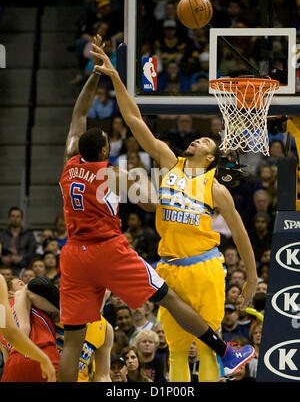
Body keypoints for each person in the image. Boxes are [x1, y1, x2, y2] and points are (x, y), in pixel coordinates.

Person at [58, 35, 255, 383]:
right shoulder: (168, 162)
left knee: (205, 347)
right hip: (169, 263)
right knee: (177, 349)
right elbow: (135, 120)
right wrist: (117, 78)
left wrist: (252, 277)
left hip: (204, 266)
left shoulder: (215, 186)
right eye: (197, 138)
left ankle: (224, 355)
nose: (196, 139)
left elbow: (240, 233)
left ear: (210, 158)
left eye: (205, 140)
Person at [0, 274, 57, 382]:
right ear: (9, 292)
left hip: (13, 365)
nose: (26, 285)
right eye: (21, 283)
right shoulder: (24, 294)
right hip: (40, 351)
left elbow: (7, 358)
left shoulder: (2, 317)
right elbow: (60, 310)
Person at [0, 207, 37, 275]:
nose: (15, 219)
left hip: (22, 266)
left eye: (18, 216)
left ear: (22, 219)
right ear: (9, 218)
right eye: (13, 216)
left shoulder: (28, 235)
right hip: (3, 265)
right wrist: (2, 258)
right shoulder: (2, 234)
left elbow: (32, 251)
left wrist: (21, 257)